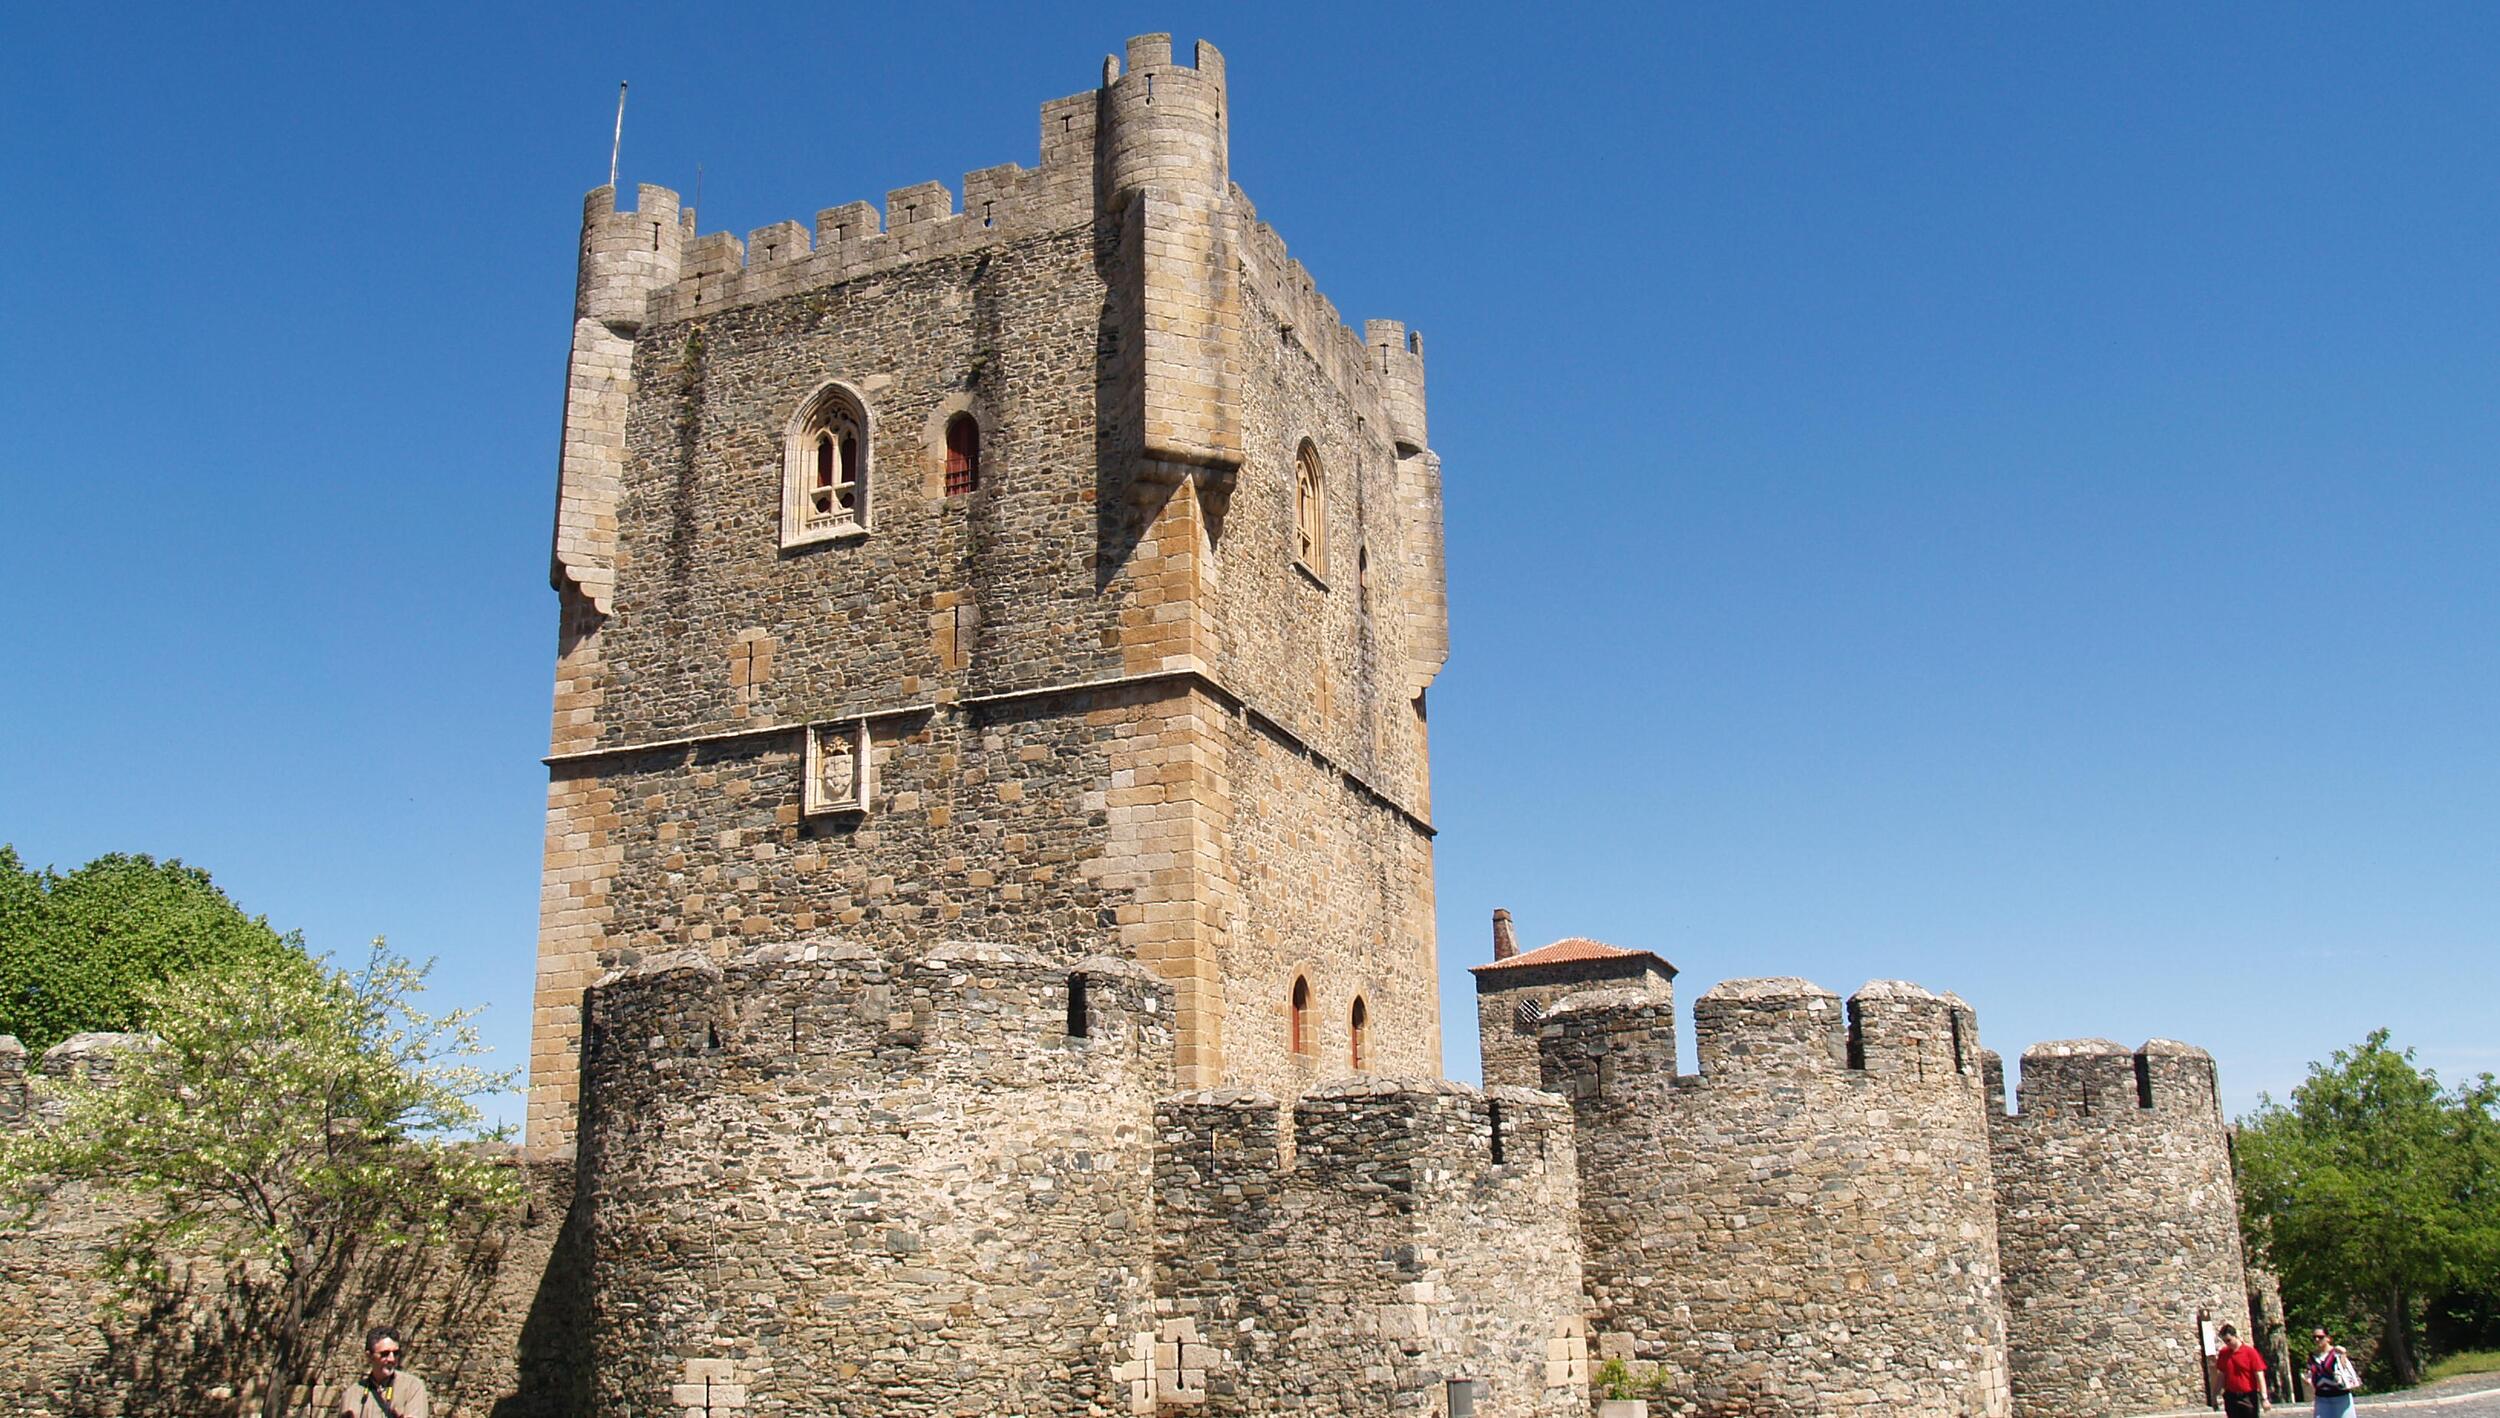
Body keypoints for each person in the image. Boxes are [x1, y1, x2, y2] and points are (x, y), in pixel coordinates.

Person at [338, 1326, 431, 1418]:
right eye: (385, 1354)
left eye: (396, 1353)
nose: (392, 1359)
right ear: (369, 1356)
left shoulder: (412, 1387)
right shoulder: (351, 1395)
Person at [2216, 1322, 2269, 1417]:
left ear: (2235, 1336)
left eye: (2229, 1340)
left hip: (2248, 1396)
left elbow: (2259, 1376)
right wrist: (2215, 1394)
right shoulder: (2223, 1353)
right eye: (2224, 1341)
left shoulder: (2250, 1352)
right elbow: (2221, 1375)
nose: (2227, 1344)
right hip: (2231, 1396)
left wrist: (2264, 1398)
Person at [2306, 1327, 2356, 1418]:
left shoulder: (2336, 1353)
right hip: (2321, 1398)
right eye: (2314, 1337)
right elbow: (2310, 1373)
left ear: (2328, 1338)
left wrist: (2343, 1354)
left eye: (2320, 1337)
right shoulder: (2312, 1357)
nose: (2317, 1339)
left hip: (2340, 1396)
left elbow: (2344, 1369)